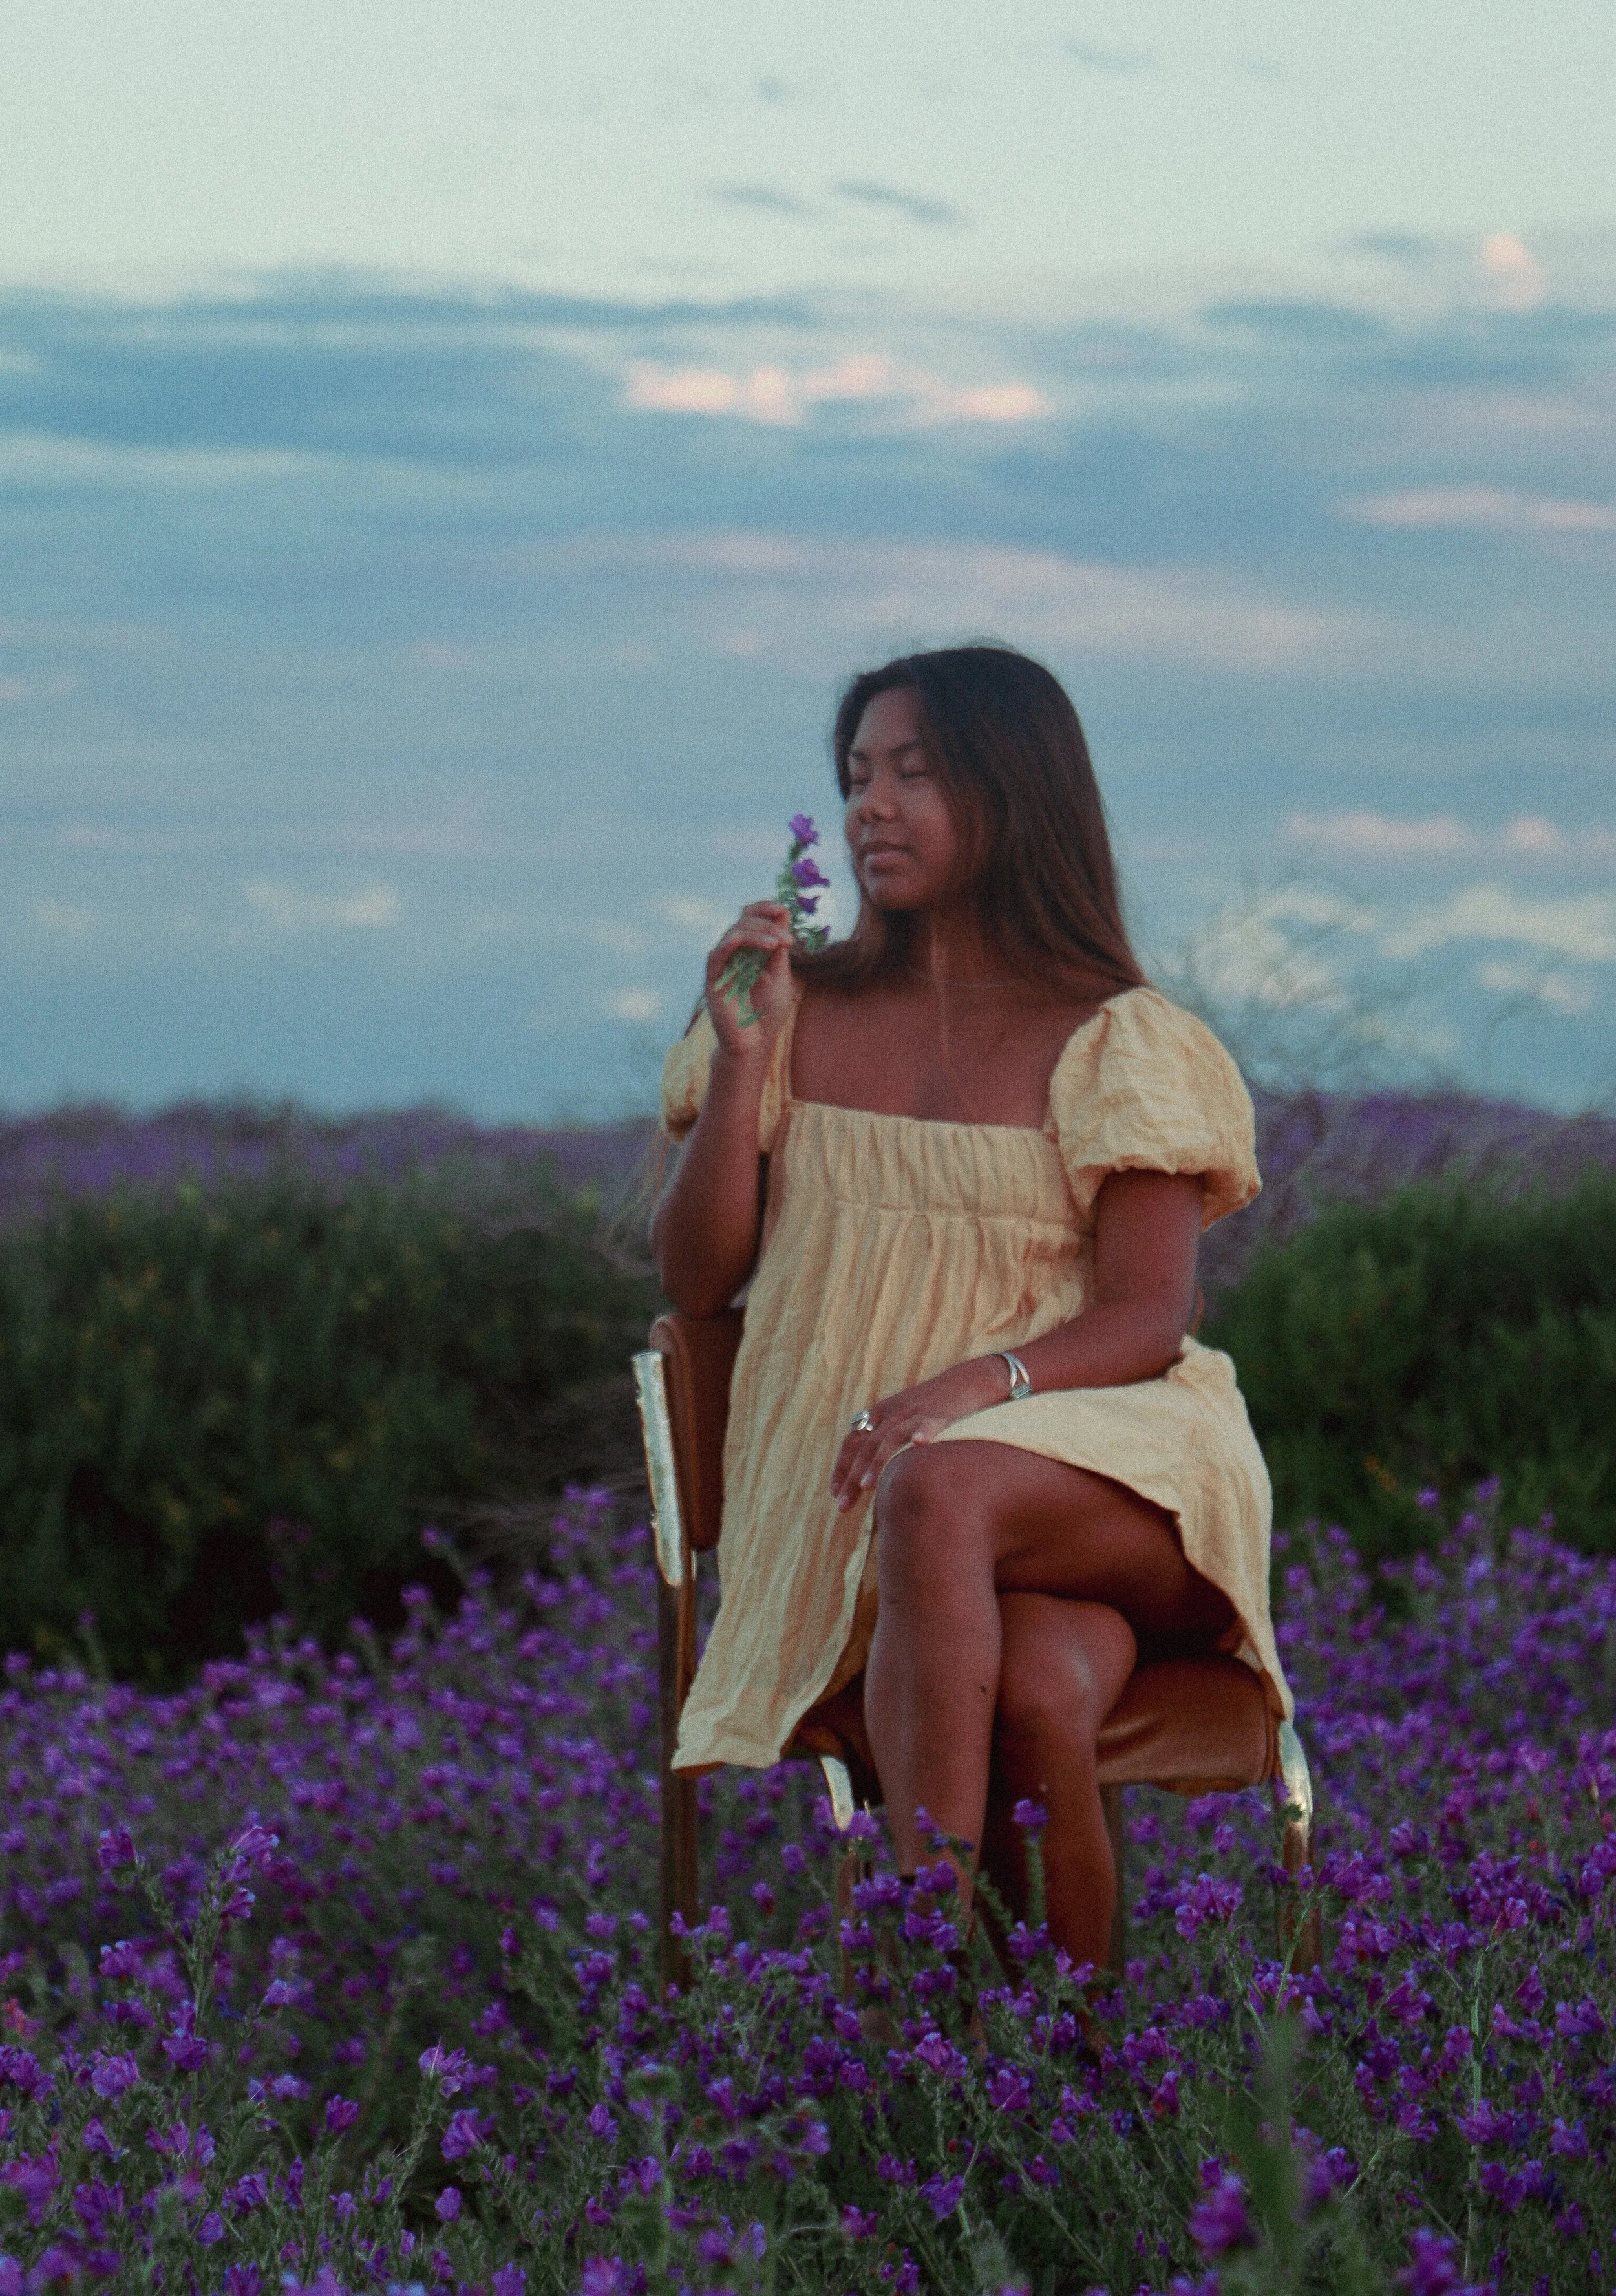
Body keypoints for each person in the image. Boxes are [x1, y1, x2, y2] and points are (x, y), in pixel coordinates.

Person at [650, 644, 1290, 1969]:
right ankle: (1067, 2066)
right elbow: (696, 1282)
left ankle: (909, 1982)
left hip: (1106, 1473)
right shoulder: (794, 1012)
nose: (869, 808)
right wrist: (743, 1065)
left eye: (917, 773)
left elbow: (1146, 1317)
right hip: (862, 1513)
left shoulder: (1117, 1037)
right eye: (855, 777)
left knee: (937, 1486)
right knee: (1039, 1689)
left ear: (1014, 793)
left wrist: (961, 1393)